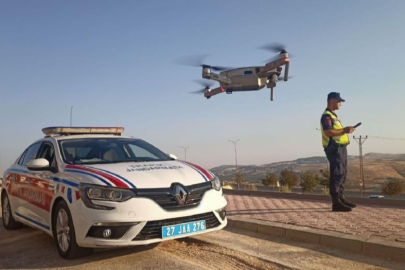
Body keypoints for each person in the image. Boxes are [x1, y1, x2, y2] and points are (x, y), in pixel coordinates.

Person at [320, 92, 357, 212]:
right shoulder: (327, 116)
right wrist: (344, 130)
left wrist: (346, 130)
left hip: (341, 148)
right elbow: (328, 132)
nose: (340, 103)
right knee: (337, 174)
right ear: (332, 101)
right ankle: (336, 203)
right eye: (339, 101)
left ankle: (340, 198)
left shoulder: (333, 116)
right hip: (334, 148)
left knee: (342, 173)